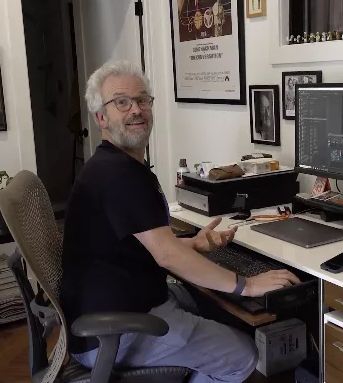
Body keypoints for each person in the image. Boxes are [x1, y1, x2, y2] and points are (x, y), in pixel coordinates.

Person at [60, 60, 300, 383]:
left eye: (143, 100)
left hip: (114, 312)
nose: (136, 110)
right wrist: (250, 284)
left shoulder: (113, 166)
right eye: (122, 102)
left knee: (217, 308)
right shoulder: (118, 175)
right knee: (250, 356)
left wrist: (192, 244)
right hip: (119, 330)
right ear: (101, 117)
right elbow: (166, 256)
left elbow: (140, 247)